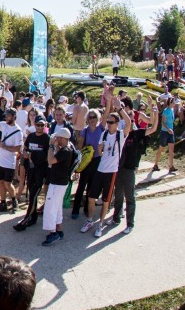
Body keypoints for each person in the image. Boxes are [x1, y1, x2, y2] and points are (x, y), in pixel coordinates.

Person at [110, 98, 158, 235]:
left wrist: (156, 113)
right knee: (118, 194)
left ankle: (130, 224)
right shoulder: (122, 133)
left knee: (129, 197)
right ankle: (116, 218)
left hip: (130, 169)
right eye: (127, 116)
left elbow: (153, 127)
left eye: (131, 116)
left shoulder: (138, 133)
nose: (129, 118)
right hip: (119, 167)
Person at [81, 105, 131, 238]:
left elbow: (129, 123)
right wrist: (100, 148)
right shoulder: (104, 133)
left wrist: (119, 108)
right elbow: (99, 152)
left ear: (116, 124)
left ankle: (101, 224)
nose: (108, 124)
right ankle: (90, 220)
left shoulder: (121, 135)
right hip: (100, 169)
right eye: (107, 122)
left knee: (105, 200)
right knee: (91, 198)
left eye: (111, 122)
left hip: (111, 172)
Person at [41, 128, 79, 246]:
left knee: (50, 208)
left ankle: (53, 233)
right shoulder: (68, 148)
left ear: (63, 139)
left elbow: (51, 160)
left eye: (58, 138)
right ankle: (59, 229)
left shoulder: (65, 151)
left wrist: (52, 146)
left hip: (57, 183)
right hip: (61, 183)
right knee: (57, 207)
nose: (56, 139)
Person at [14, 117, 50, 231]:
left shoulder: (46, 138)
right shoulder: (31, 136)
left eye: (42, 125)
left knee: (34, 195)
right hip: (30, 170)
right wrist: (25, 154)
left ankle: (26, 219)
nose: (39, 127)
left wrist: (33, 154)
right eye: (38, 125)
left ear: (44, 126)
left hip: (41, 171)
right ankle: (33, 218)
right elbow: (24, 148)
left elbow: (47, 156)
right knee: (31, 194)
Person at [0, 108, 22, 212]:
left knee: (8, 183)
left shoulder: (18, 131)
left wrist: (5, 147)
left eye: (8, 115)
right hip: (0, 161)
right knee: (1, 182)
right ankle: (3, 203)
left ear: (13, 116)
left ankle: (14, 201)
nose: (6, 117)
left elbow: (18, 148)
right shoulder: (4, 125)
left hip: (9, 162)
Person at [150, 96, 176, 173]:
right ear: (170, 103)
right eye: (174, 102)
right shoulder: (165, 111)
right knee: (161, 149)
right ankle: (155, 164)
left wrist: (171, 130)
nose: (175, 104)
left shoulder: (172, 110)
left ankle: (171, 166)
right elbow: (163, 122)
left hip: (170, 132)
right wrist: (168, 129)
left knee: (171, 150)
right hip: (165, 132)